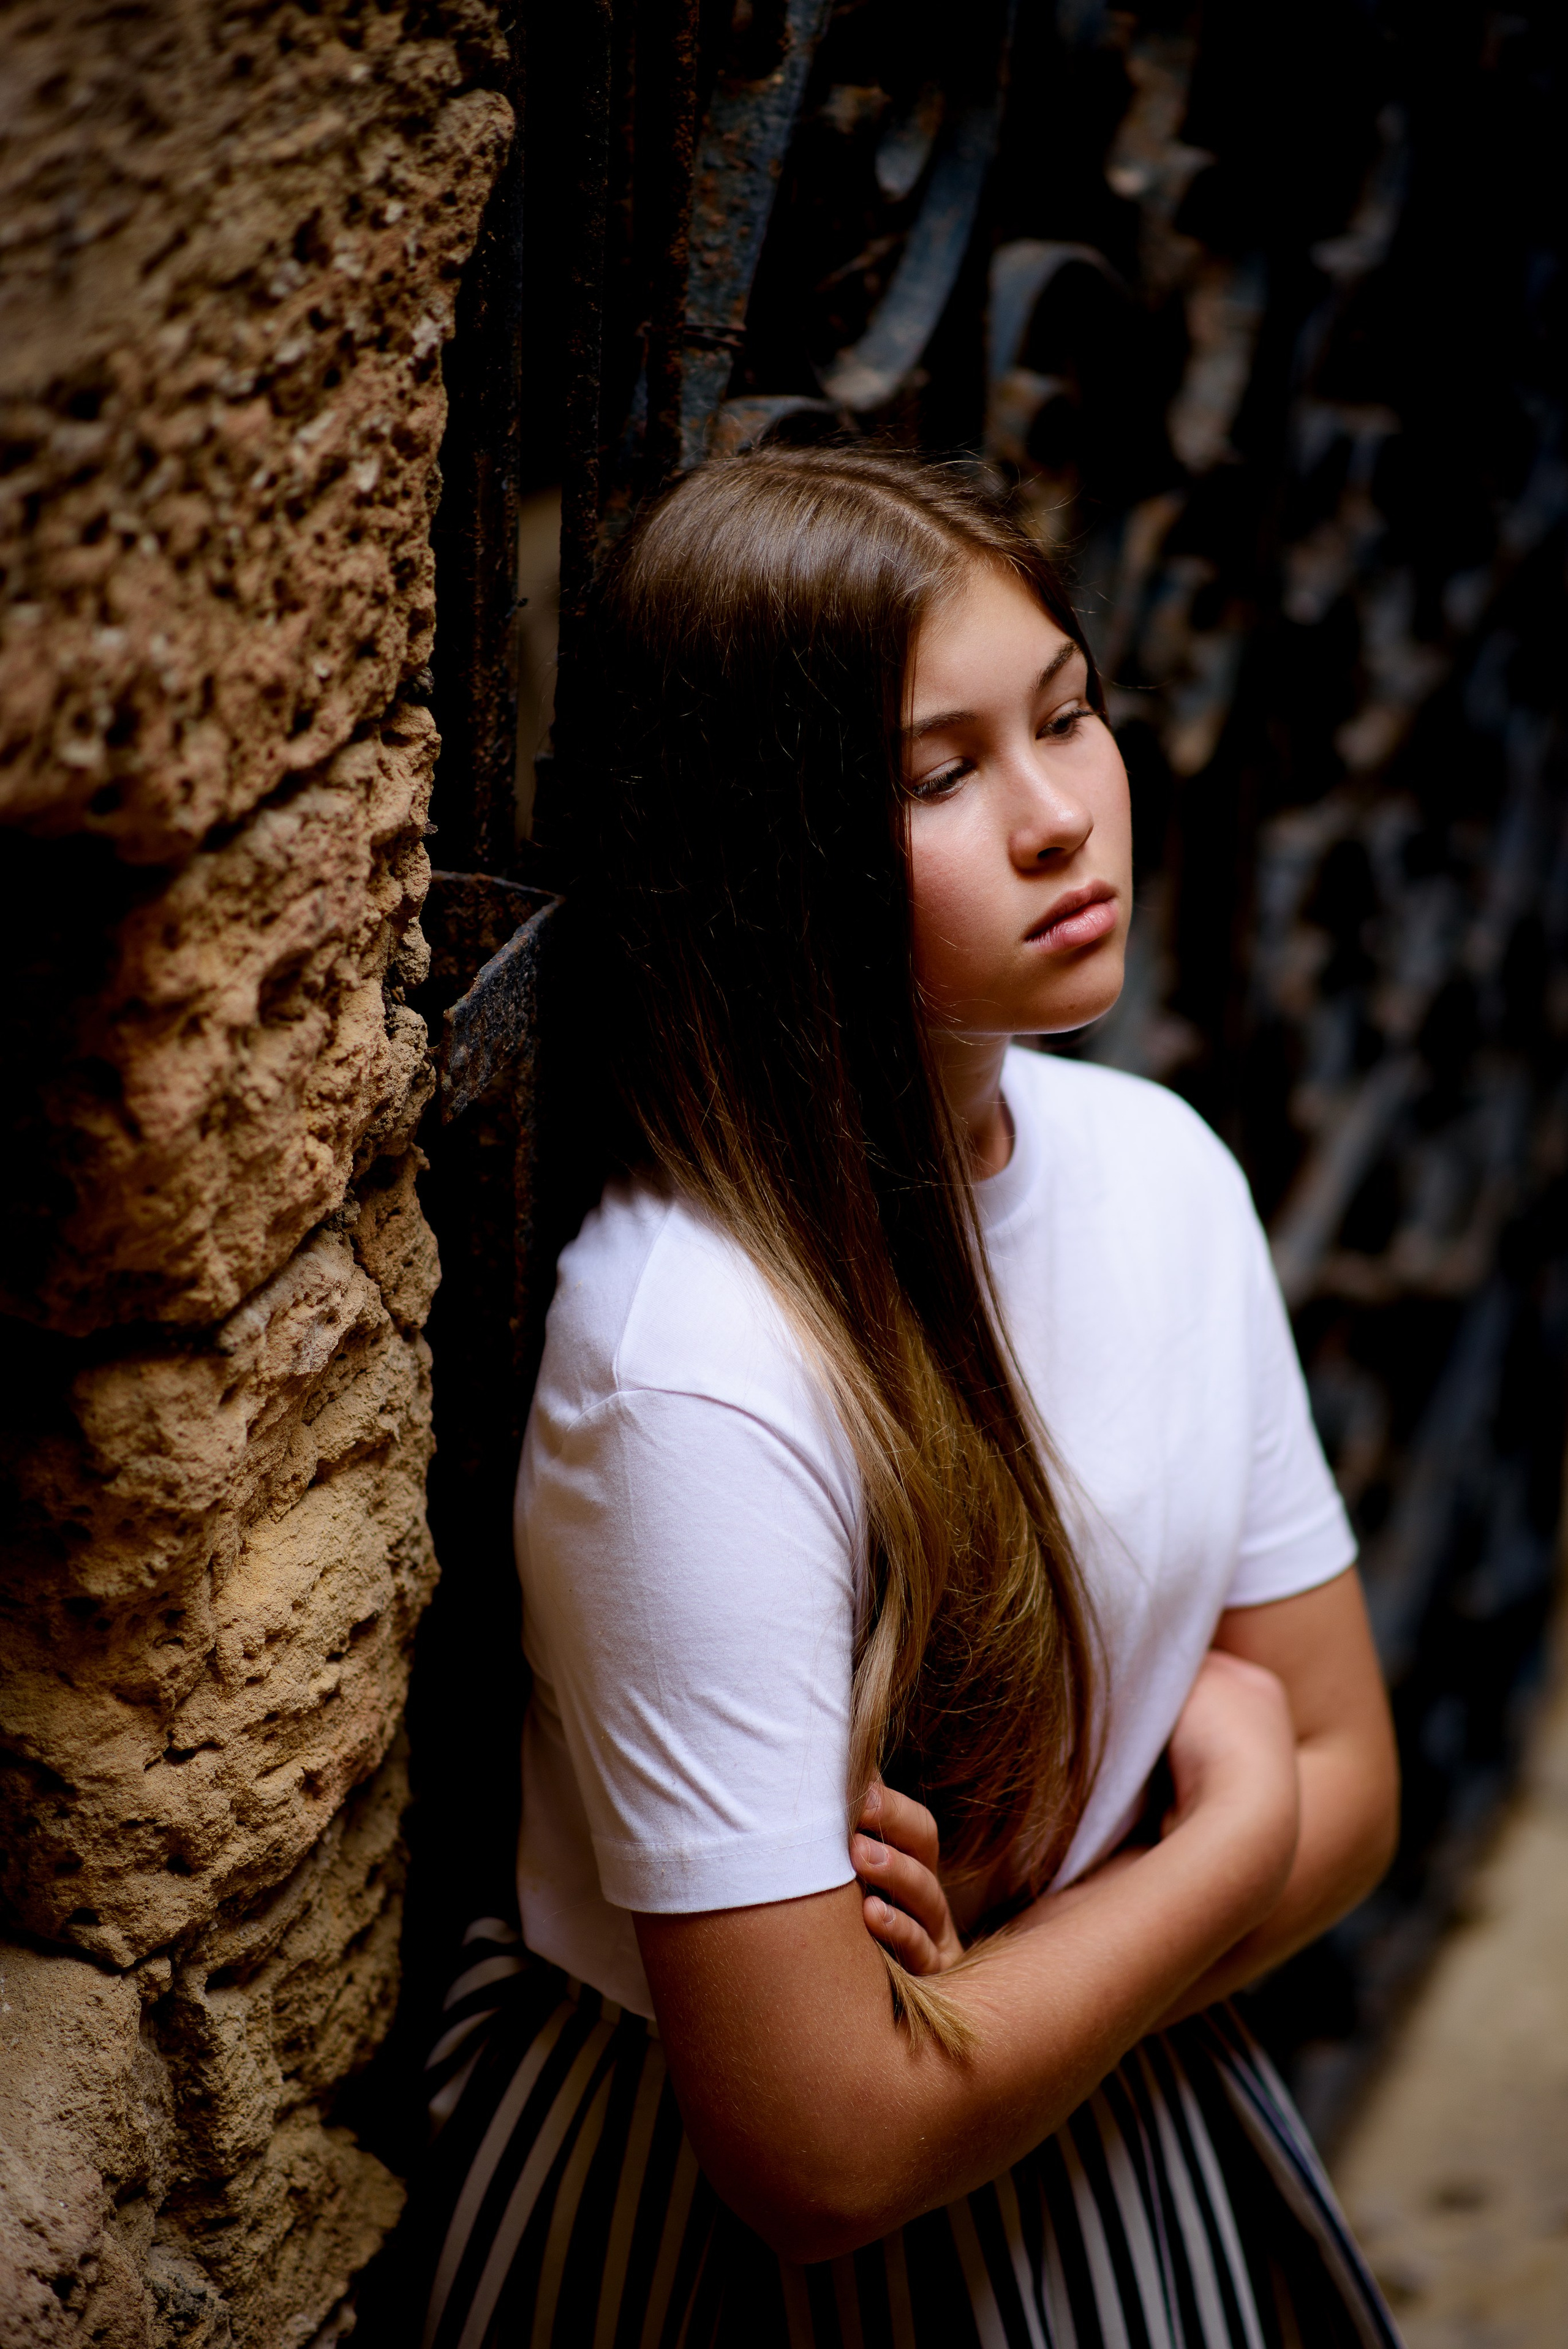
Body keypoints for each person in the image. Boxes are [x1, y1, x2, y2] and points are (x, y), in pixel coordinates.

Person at [404, 447, 1402, 2347]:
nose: (1059, 818)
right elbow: (824, 2151)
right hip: (710, 2258)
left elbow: (1361, 1785)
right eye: (938, 775)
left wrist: (1005, 1998)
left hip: (1131, 2141)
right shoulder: (697, 1361)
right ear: (764, 851)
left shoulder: (1161, 1169)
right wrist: (1223, 1830)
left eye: (1069, 713)